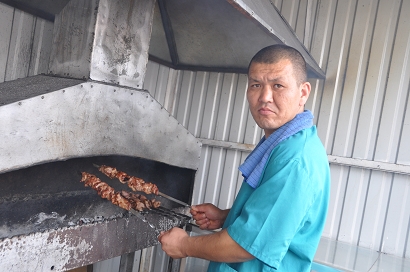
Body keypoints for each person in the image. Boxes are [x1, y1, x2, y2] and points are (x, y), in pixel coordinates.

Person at [158, 44, 330, 271]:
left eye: (278, 85)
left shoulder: (295, 160)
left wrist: (185, 245)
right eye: (256, 85)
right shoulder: (284, 142)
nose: (265, 97)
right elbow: (273, 215)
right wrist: (226, 216)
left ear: (303, 93)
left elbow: (246, 246)